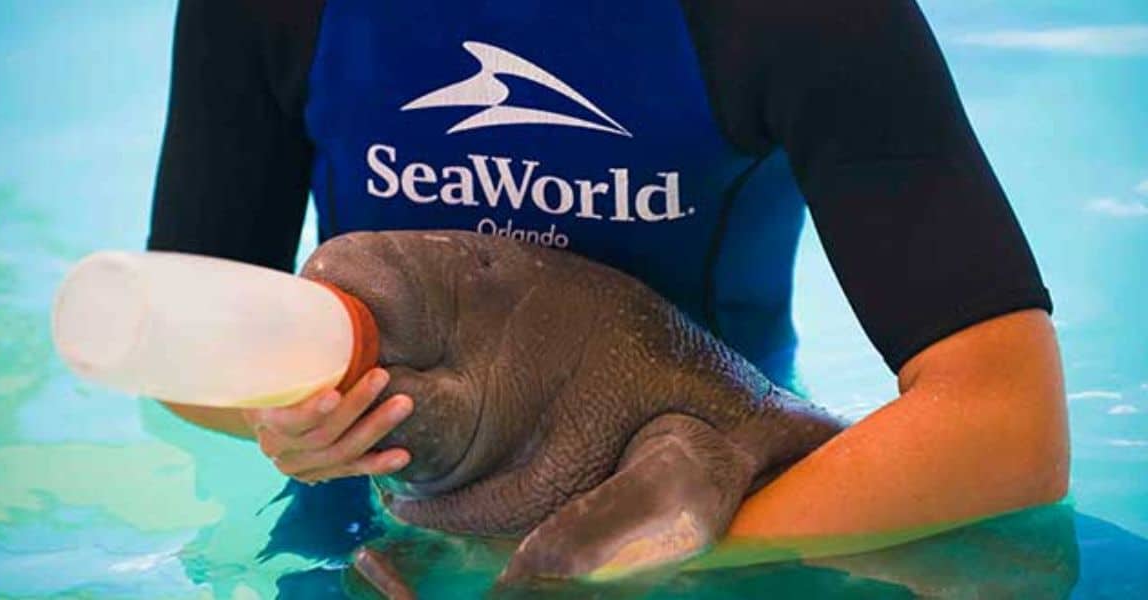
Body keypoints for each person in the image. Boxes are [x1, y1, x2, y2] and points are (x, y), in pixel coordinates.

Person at [148, 0, 1068, 545]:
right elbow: (180, 345)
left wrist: (628, 548)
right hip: (375, 524)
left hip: (725, 506)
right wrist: (286, 414)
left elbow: (1006, 423)